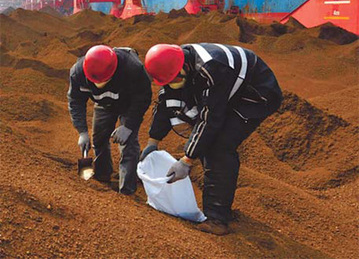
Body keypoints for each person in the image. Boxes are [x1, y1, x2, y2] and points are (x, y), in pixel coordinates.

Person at [141, 43, 282, 235]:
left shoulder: (212, 68)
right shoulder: (173, 65)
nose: (172, 82)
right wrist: (153, 141)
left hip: (256, 92)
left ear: (185, 67)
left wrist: (187, 159)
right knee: (206, 138)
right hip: (227, 89)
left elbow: (210, 118)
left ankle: (217, 219)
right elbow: (167, 101)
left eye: (176, 79)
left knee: (219, 147)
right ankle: (218, 204)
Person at [68, 45, 152, 195]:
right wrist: (82, 131)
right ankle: (102, 176)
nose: (98, 85)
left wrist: (128, 125)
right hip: (103, 104)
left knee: (128, 145)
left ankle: (127, 190)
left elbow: (143, 98)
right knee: (98, 139)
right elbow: (75, 101)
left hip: (129, 104)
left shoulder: (133, 68)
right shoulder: (78, 73)